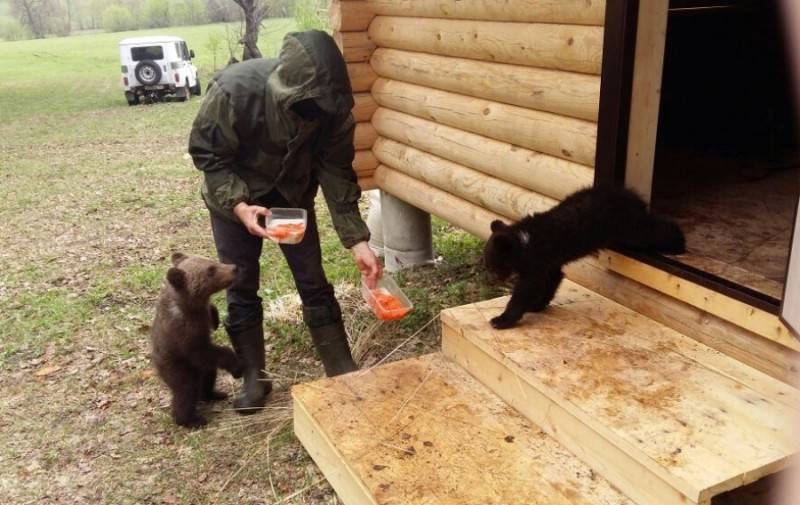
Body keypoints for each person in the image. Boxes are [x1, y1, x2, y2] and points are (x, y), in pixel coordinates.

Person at [188, 30, 382, 415]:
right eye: (309, 104)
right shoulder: (234, 92)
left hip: (291, 196)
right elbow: (208, 155)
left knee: (312, 279)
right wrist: (240, 204)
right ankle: (253, 379)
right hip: (235, 197)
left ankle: (340, 368)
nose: (319, 112)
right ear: (289, 89)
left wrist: (358, 241)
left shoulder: (333, 109)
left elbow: (337, 172)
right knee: (240, 282)